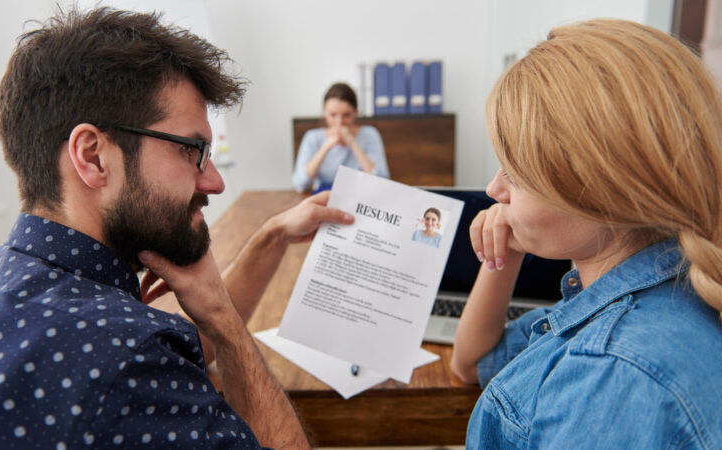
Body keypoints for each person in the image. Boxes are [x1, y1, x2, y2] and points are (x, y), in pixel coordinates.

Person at [0, 8, 355, 449]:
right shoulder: (128, 358)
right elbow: (140, 361)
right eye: (191, 150)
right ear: (92, 156)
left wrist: (271, 238)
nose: (214, 181)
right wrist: (226, 321)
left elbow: (178, 353)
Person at [450, 19, 722, 448]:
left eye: (515, 175)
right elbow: (471, 363)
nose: (493, 190)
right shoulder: (654, 284)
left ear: (604, 189)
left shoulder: (614, 371)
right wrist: (505, 256)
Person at [292, 83, 390, 192]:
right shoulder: (312, 137)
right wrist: (326, 146)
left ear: (355, 113)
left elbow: (381, 180)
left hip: (359, 196)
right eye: (333, 115)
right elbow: (299, 183)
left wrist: (352, 142)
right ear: (325, 113)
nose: (339, 123)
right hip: (324, 197)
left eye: (346, 115)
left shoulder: (370, 134)